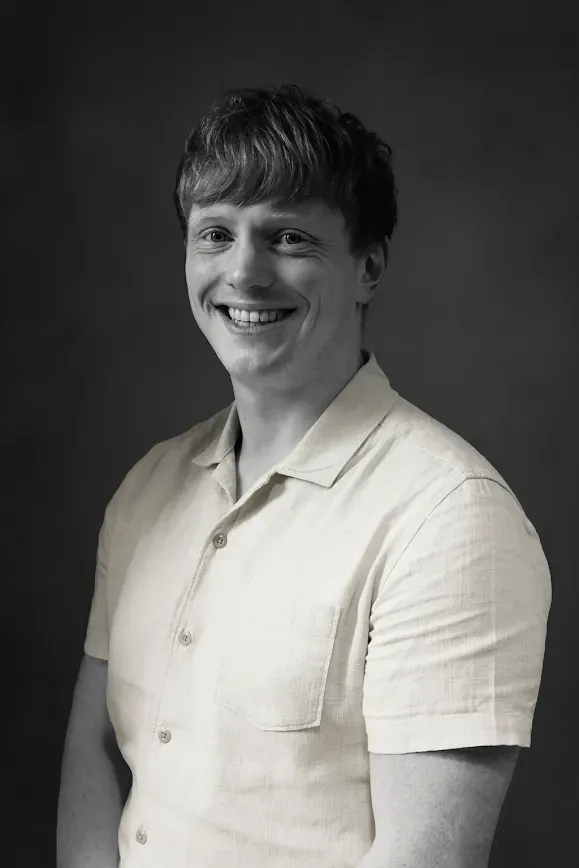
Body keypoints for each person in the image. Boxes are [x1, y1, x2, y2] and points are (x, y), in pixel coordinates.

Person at [57, 84, 552, 868]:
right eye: (214, 234)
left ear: (368, 267)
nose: (243, 272)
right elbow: (95, 750)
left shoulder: (449, 517)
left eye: (287, 237)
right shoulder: (145, 491)